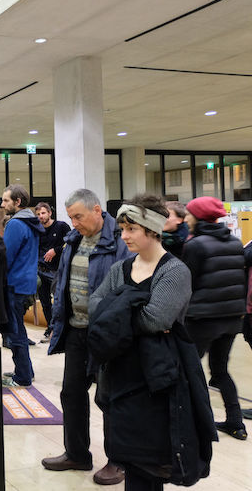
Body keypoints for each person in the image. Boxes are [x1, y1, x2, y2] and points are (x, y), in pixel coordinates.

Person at [88, 194, 214, 491]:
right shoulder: (121, 268)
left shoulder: (174, 271)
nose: (124, 236)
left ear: (152, 229)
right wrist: (132, 304)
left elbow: (155, 320)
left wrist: (117, 309)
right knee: (129, 461)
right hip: (120, 377)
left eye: (131, 229)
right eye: (122, 230)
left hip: (157, 382)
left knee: (150, 464)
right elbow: (94, 306)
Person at [42, 188, 130, 486]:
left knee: (110, 398)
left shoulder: (121, 241)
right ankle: (77, 453)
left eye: (78, 216)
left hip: (107, 335)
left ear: (96, 210)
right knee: (71, 393)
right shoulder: (73, 240)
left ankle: (118, 462)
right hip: (77, 331)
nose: (74, 222)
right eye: (70, 217)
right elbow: (65, 280)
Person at [182, 196, 248, 440]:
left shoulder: (195, 245)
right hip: (231, 319)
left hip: (202, 319)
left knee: (189, 369)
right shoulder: (233, 241)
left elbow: (186, 283)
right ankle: (236, 422)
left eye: (189, 214)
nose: (186, 218)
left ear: (198, 217)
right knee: (220, 370)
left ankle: (198, 423)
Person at [0, 184, 43, 387]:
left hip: (14, 284)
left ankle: (22, 377)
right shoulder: (30, 221)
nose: (2, 204)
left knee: (14, 332)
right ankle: (25, 371)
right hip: (25, 283)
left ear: (18, 202)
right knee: (20, 331)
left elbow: (5, 256)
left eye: (6, 200)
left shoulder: (16, 224)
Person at [35, 202, 70, 343]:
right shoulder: (37, 230)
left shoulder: (61, 226)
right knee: (45, 303)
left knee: (58, 301)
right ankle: (50, 329)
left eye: (43, 213)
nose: (40, 216)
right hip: (41, 270)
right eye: (38, 214)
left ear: (50, 213)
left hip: (56, 271)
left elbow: (70, 243)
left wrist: (56, 250)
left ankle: (58, 329)